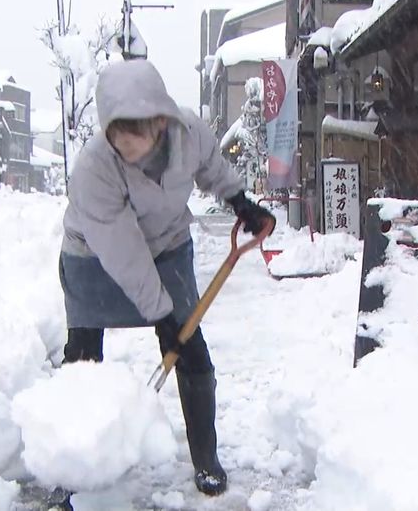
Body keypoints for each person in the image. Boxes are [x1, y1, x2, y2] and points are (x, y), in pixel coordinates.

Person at [58, 58, 274, 496]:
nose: (123, 142)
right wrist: (160, 313)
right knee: (83, 359)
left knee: (189, 347)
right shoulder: (94, 168)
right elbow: (122, 251)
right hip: (94, 254)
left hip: (166, 243)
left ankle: (206, 458)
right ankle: (72, 466)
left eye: (133, 130)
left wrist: (238, 199)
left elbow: (212, 165)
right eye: (114, 131)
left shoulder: (188, 133)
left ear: (159, 119)